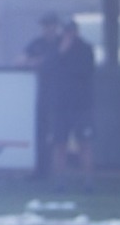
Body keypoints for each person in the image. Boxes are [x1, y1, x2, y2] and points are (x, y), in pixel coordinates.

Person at [48, 17, 96, 179]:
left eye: (72, 31)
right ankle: (59, 180)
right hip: (60, 104)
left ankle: (87, 180)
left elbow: (85, 71)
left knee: (84, 143)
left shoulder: (86, 49)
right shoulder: (56, 47)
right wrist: (61, 51)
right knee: (59, 143)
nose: (69, 34)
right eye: (66, 31)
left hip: (80, 104)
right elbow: (48, 68)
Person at [22, 13, 63, 180]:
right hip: (42, 94)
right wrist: (38, 62)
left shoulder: (62, 43)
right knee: (41, 133)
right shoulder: (37, 43)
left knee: (59, 134)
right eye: (45, 25)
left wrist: (44, 61)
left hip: (61, 95)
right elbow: (20, 61)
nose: (48, 29)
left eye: (51, 25)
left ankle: (57, 170)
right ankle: (41, 169)